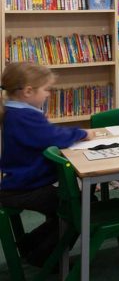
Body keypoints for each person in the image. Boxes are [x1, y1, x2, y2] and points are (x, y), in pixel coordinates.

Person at [0, 63, 94, 267]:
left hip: (19, 184)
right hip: (24, 188)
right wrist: (83, 133)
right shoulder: (25, 116)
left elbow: (48, 135)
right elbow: (53, 136)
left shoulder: (13, 111)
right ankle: (44, 258)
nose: (49, 95)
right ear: (28, 91)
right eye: (46, 90)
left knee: (73, 206)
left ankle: (29, 245)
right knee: (82, 207)